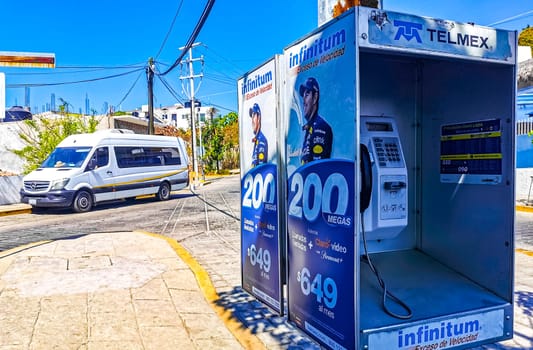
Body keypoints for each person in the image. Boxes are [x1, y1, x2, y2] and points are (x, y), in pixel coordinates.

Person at [299, 77, 333, 164]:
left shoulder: (320, 127)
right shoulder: (311, 127)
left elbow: (316, 168)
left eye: (307, 94)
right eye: (303, 95)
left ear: (315, 97)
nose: (303, 100)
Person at [249, 103, 268, 167]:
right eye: (252, 116)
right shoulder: (257, 139)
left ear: (259, 117)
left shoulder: (261, 141)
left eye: (254, 115)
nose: (252, 120)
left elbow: (260, 168)